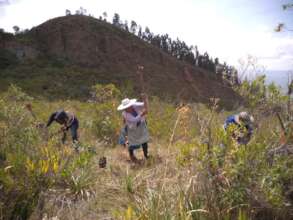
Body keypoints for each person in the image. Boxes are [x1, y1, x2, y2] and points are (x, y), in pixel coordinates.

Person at [117, 95, 149, 162]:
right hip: (132, 129)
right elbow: (134, 120)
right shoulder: (125, 114)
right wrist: (142, 114)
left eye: (129, 106)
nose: (128, 108)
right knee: (132, 143)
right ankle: (131, 155)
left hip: (141, 126)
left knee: (144, 141)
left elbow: (143, 105)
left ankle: (146, 155)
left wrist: (145, 99)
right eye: (126, 108)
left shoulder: (135, 105)